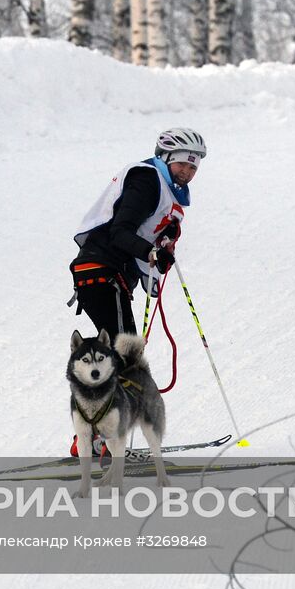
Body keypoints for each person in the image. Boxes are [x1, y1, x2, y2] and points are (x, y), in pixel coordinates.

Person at [67, 128, 205, 456]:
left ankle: (91, 439)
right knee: (126, 356)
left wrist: (161, 240)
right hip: (101, 272)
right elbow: (120, 231)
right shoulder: (146, 180)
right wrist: (151, 251)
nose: (187, 171)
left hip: (103, 276)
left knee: (123, 354)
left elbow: (138, 232)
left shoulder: (163, 190)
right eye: (182, 164)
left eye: (194, 167)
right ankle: (94, 439)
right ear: (165, 159)